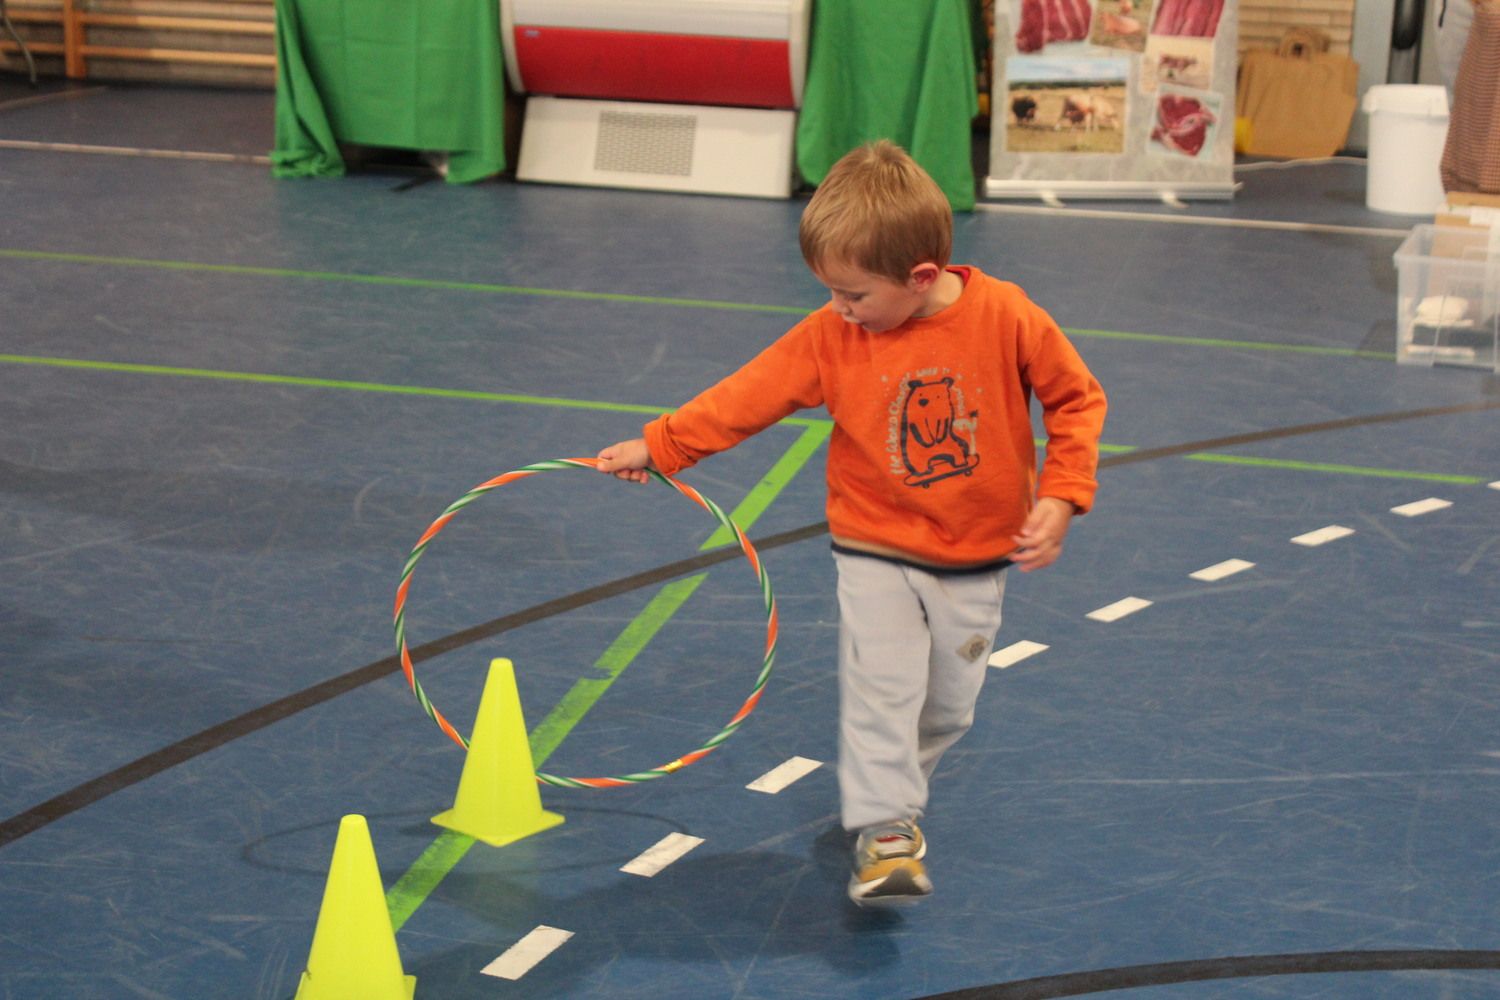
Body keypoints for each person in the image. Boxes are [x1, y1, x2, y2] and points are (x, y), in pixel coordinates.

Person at [596, 141, 1107, 907]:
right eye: (830, 292)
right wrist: (663, 445)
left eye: (853, 294)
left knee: (947, 705)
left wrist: (1062, 494)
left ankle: (892, 800)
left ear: (922, 278)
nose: (839, 308)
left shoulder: (1006, 315)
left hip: (974, 553)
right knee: (882, 689)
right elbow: (750, 394)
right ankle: (887, 827)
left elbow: (1076, 399)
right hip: (874, 545)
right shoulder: (834, 335)